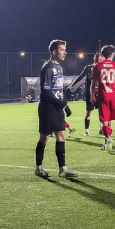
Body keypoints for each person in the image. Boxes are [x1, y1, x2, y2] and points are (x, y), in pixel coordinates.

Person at [34, 39, 78, 179]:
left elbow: (58, 91)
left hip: (57, 108)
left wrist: (65, 105)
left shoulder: (59, 67)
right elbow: (45, 91)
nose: (65, 52)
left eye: (65, 50)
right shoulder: (47, 68)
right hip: (48, 108)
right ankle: (38, 168)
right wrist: (62, 104)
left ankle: (62, 169)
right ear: (54, 52)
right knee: (44, 137)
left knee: (61, 135)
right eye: (62, 50)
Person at [90, 44, 115, 151]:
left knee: (104, 121)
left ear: (103, 54)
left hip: (103, 96)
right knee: (111, 119)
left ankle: (107, 137)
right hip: (114, 96)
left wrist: (92, 95)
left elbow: (94, 84)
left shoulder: (97, 66)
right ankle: (107, 141)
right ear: (112, 54)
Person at [67, 52, 98, 135]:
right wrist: (72, 85)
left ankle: (102, 129)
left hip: (99, 93)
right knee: (88, 113)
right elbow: (81, 77)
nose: (100, 60)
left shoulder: (103, 68)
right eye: (98, 59)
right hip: (90, 94)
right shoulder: (88, 68)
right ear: (95, 59)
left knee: (102, 112)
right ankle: (86, 130)